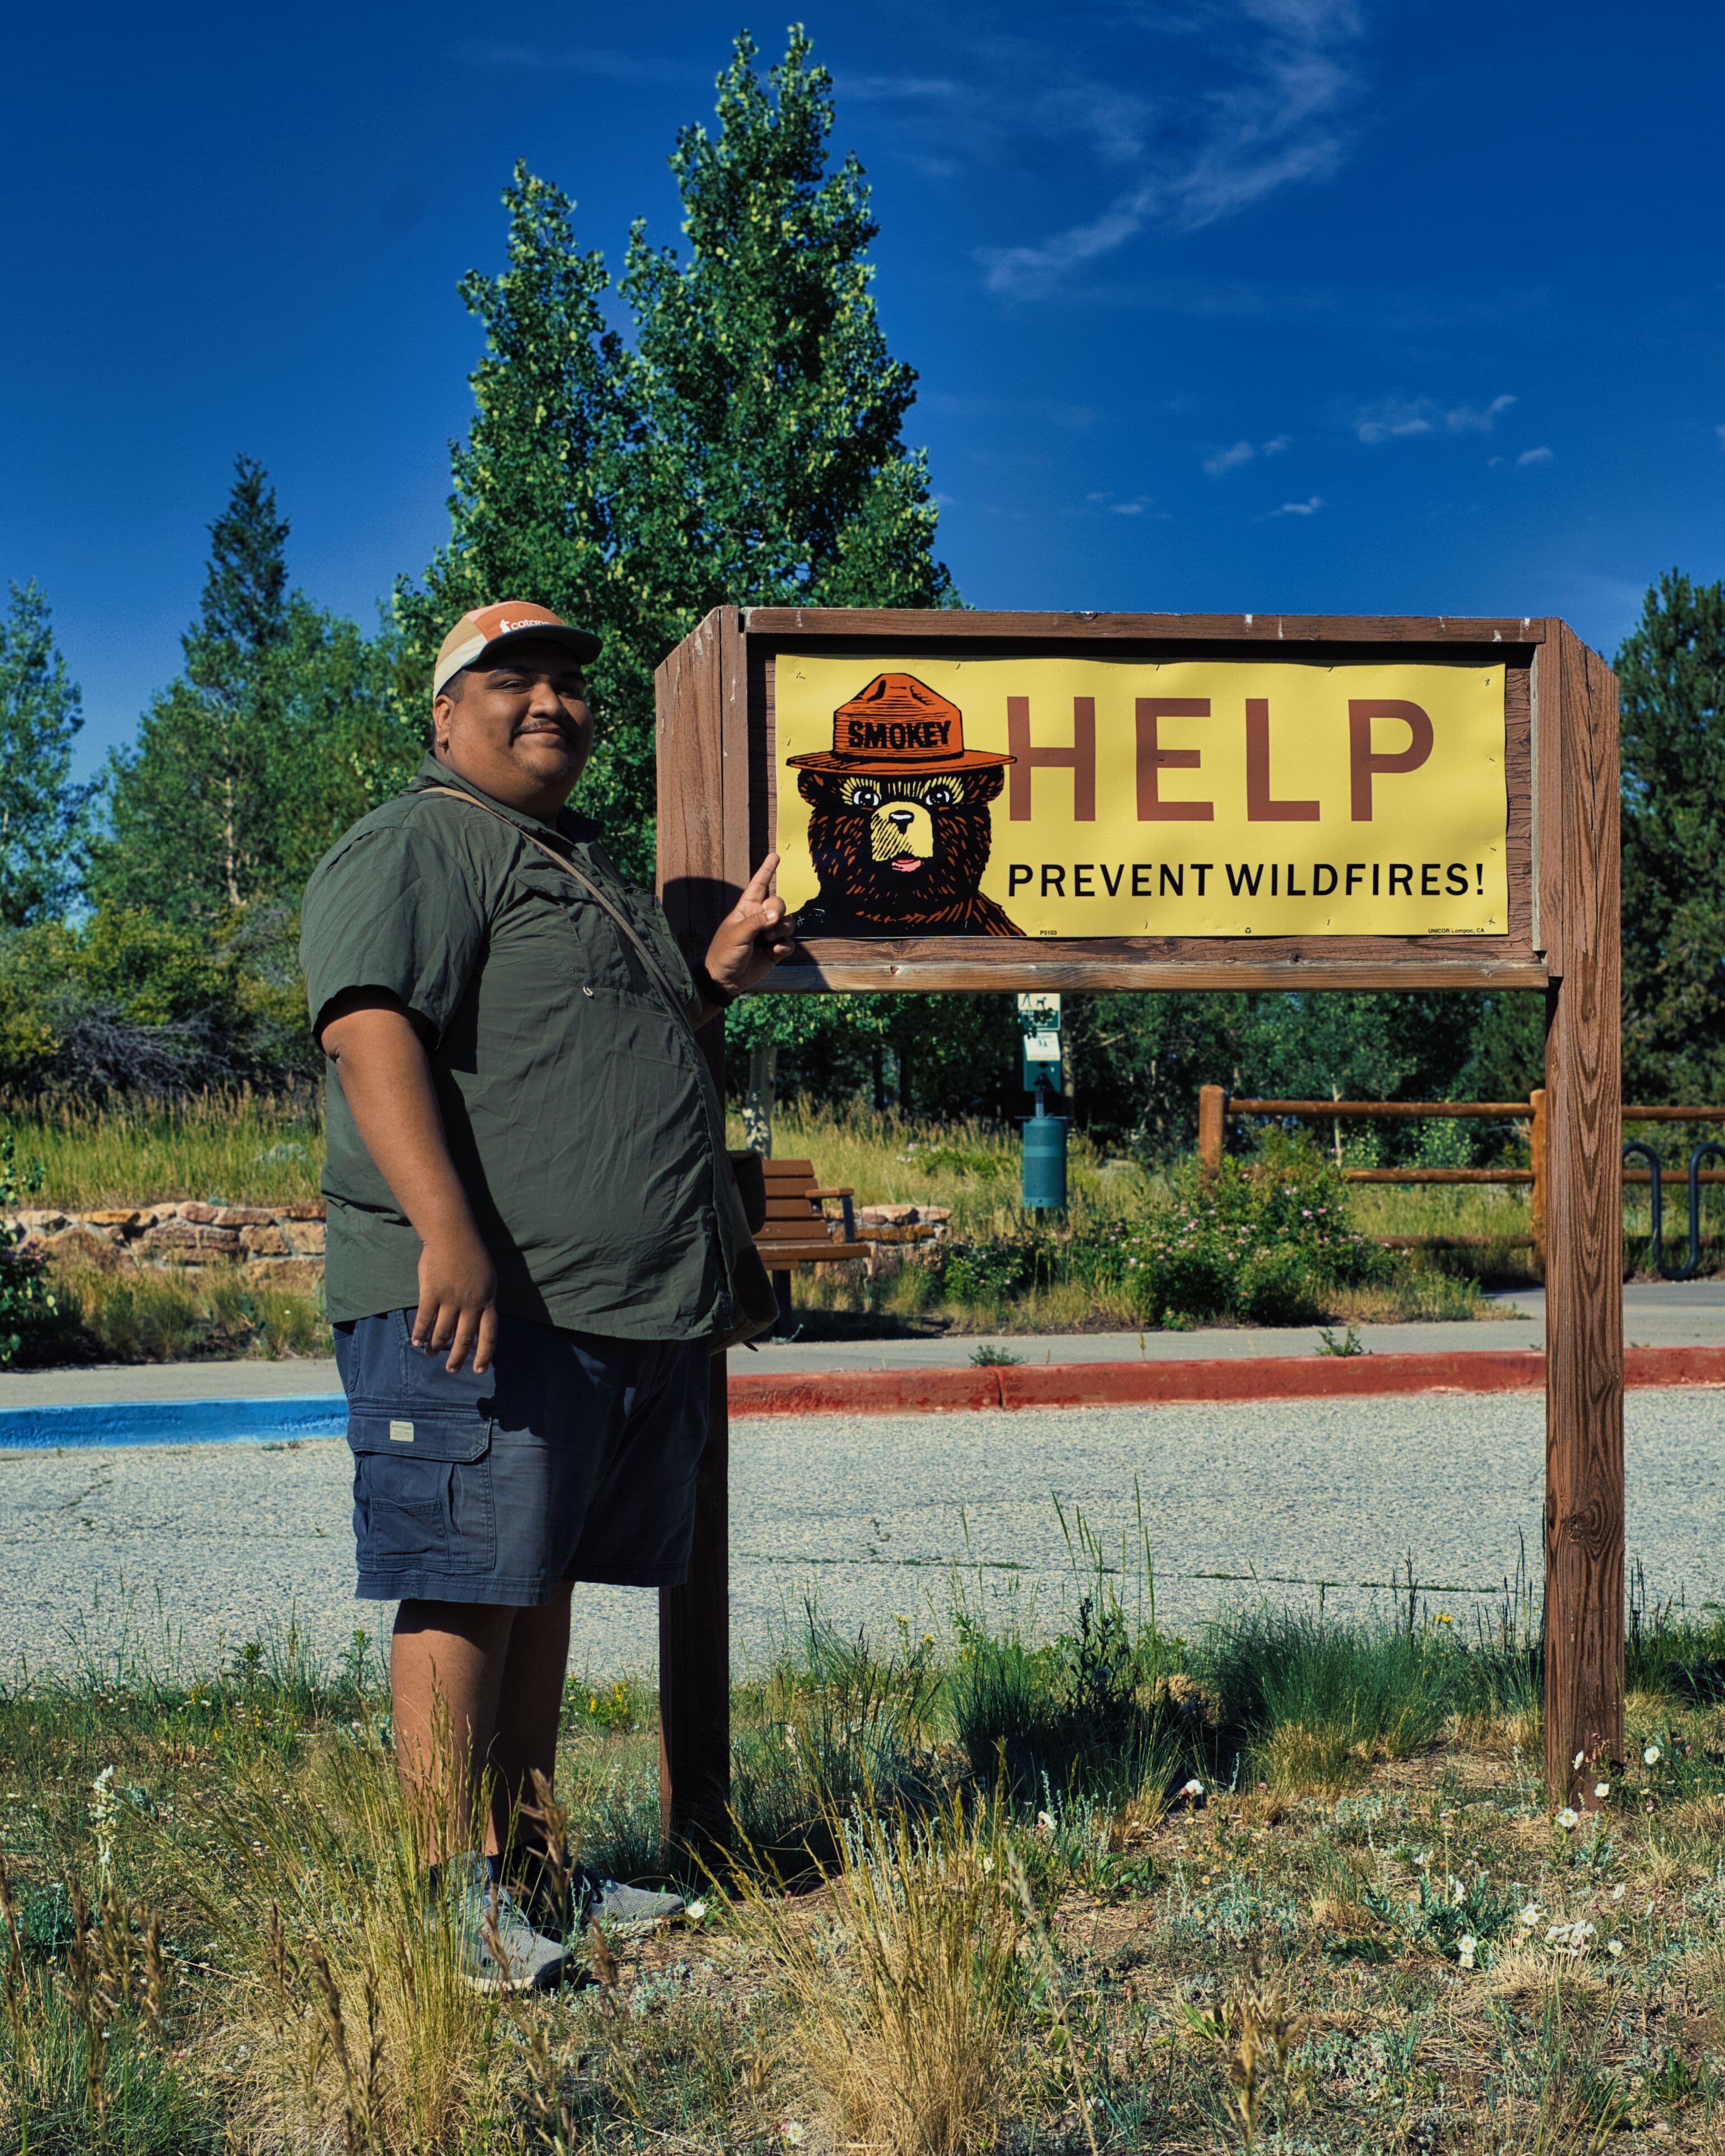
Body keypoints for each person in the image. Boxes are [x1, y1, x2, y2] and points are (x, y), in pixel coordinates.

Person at [300, 600, 790, 1990]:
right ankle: (445, 1908)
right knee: (462, 1582)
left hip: (599, 1308)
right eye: (509, 679)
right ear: (443, 714)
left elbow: (597, 1061)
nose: (551, 702)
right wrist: (445, 1231)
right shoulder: (418, 839)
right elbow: (367, 1028)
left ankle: (529, 1869)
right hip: (472, 1298)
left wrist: (708, 987)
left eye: (570, 684)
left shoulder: (574, 865)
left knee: (537, 1582)